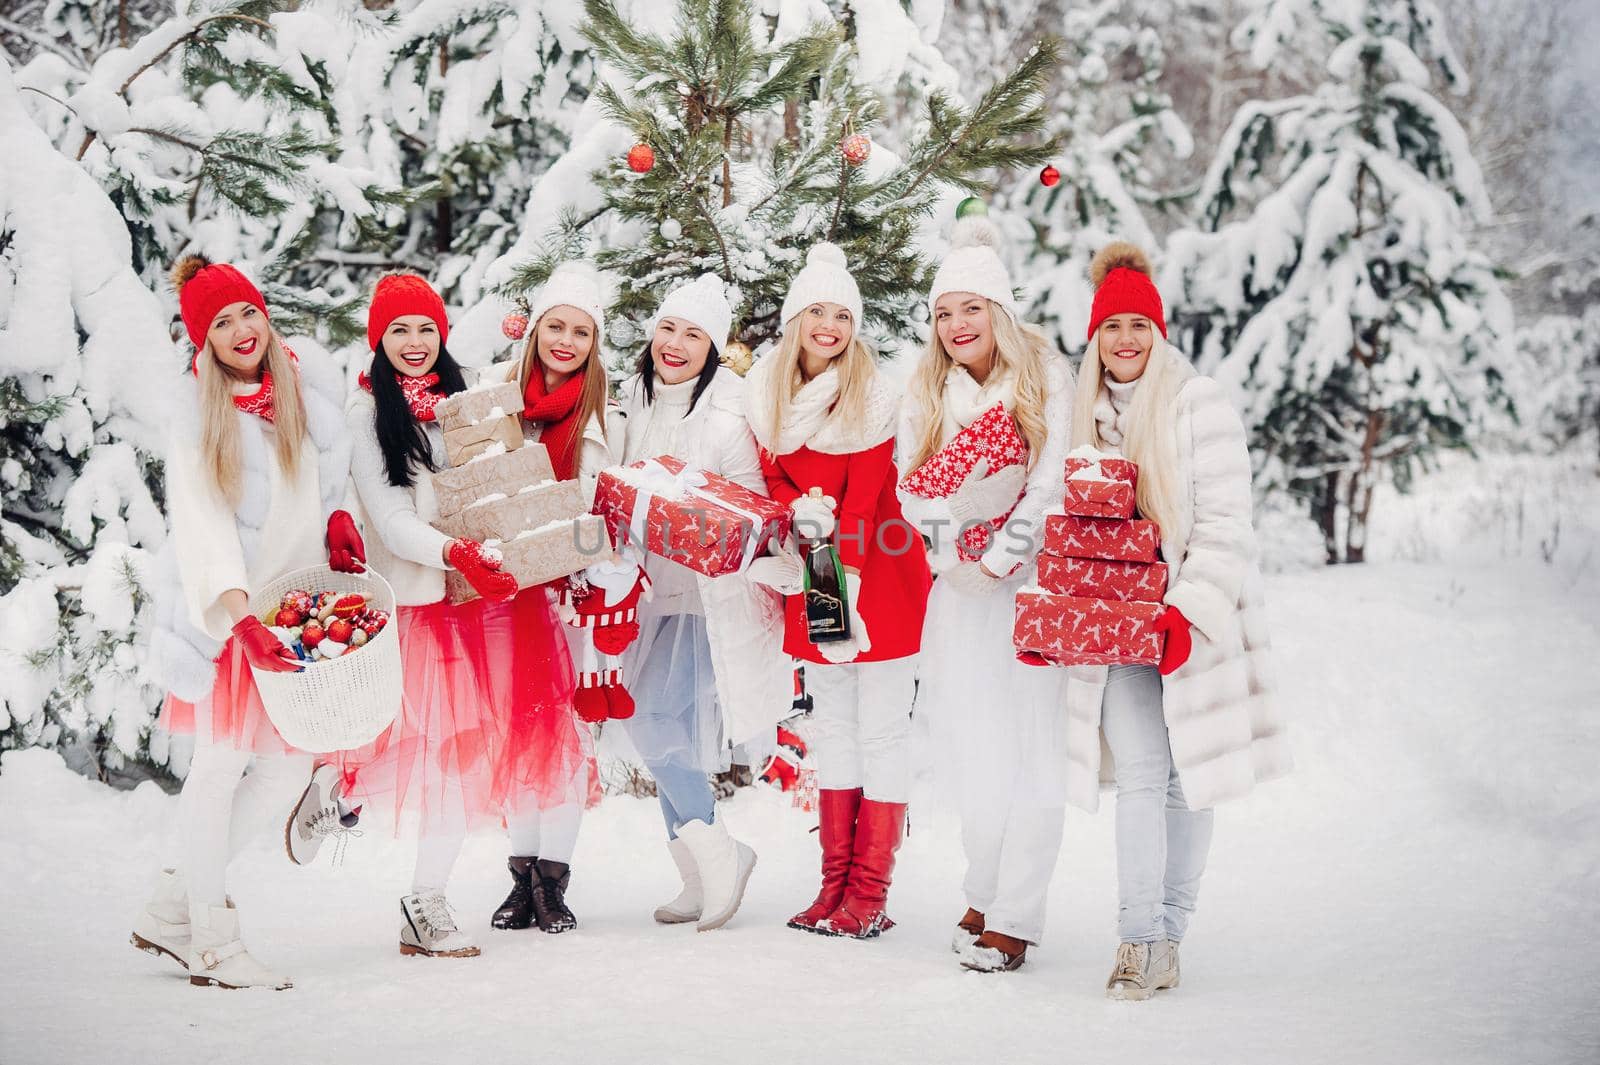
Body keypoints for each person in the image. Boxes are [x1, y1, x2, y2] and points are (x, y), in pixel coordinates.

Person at [1061, 242, 1290, 999]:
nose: (1125, 339)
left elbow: (1228, 523)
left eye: (1138, 324)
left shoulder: (1201, 404)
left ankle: (1171, 934)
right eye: (1111, 326)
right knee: (1141, 773)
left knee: (1186, 781)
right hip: (1116, 627)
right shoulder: (1081, 416)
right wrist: (1057, 624)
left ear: (1159, 332)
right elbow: (1064, 530)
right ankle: (1136, 937)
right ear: (1094, 337)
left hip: (1193, 620)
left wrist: (1187, 612)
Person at [134, 256, 363, 989]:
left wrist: (338, 524)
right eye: (221, 322)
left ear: (266, 316)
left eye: (247, 314)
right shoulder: (199, 416)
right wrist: (238, 621)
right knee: (217, 770)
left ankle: (172, 905)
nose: (240, 331)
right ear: (202, 343)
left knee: (289, 765)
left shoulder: (302, 389)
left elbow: (326, 480)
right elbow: (202, 529)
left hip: (290, 614)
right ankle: (211, 939)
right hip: (232, 621)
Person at [897, 217, 1076, 971]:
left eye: (970, 308)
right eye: (943, 312)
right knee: (973, 743)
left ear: (998, 310)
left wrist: (1006, 552)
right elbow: (912, 485)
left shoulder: (1043, 376)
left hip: (1030, 586)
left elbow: (1053, 475)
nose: (956, 324)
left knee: (1032, 746)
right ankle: (982, 884)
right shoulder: (927, 387)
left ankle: (1018, 911)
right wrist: (950, 558)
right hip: (960, 594)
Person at [337, 273, 534, 957]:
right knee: (396, 737)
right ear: (378, 339)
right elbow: (391, 521)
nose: (415, 343)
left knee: (463, 750)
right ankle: (330, 783)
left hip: (482, 599)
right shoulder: (367, 415)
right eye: (399, 331)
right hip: (423, 606)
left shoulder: (469, 394)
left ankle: (426, 899)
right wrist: (455, 550)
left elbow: (508, 475)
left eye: (425, 328)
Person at [743, 243, 931, 938]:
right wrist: (799, 510)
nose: (829, 325)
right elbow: (775, 479)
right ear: (796, 320)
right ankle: (833, 886)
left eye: (841, 314)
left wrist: (837, 579)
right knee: (836, 730)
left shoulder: (876, 398)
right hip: (817, 569)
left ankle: (870, 892)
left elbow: (863, 503)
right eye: (816, 311)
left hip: (876, 577)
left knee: (881, 731)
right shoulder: (768, 397)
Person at [613, 274, 792, 931]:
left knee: (653, 718)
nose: (676, 343)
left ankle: (724, 852)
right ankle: (697, 873)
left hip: (710, 597)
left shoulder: (728, 410)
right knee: (672, 733)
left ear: (714, 348)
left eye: (694, 334)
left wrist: (696, 504)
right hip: (645, 594)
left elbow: (751, 502)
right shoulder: (630, 400)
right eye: (669, 328)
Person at [486, 261, 618, 934]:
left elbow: (609, 513)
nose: (565, 341)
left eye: (581, 332)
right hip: (506, 592)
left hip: (568, 597)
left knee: (562, 732)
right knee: (517, 730)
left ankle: (552, 880)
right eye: (556, 327)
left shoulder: (602, 414)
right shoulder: (499, 403)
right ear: (535, 330)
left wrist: (582, 561)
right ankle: (519, 871)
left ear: (595, 344)